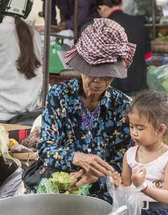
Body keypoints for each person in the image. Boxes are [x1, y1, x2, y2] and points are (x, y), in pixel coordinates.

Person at [31, 18, 135, 201]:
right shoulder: (59, 95)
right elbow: (45, 148)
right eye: (93, 74)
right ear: (81, 67)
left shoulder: (122, 106)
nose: (99, 82)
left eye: (107, 76)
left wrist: (99, 176)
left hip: (101, 192)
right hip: (55, 186)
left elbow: (122, 160)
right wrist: (76, 157)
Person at [111, 90, 168, 215]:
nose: (134, 132)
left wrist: (142, 186)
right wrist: (117, 184)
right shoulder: (130, 154)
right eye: (131, 126)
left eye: (140, 128)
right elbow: (126, 187)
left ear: (160, 130)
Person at [96, 0, 151, 96]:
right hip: (139, 87)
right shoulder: (138, 22)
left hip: (113, 89)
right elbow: (148, 57)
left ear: (101, 8)